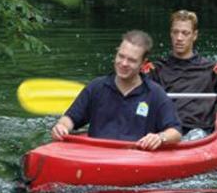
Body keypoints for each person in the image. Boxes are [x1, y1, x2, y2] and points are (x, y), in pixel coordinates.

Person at [51, 30, 183, 150]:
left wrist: (160, 137)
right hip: (95, 156)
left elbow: (175, 132)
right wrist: (62, 127)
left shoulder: (155, 94)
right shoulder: (96, 87)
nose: (124, 63)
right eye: (121, 56)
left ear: (143, 63)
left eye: (131, 60)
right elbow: (70, 118)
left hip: (136, 159)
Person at [143, 10, 217, 141]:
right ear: (170, 33)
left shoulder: (212, 70)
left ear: (194, 35)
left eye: (185, 33)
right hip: (163, 134)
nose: (179, 38)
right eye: (175, 32)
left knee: (196, 135)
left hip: (199, 136)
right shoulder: (155, 70)